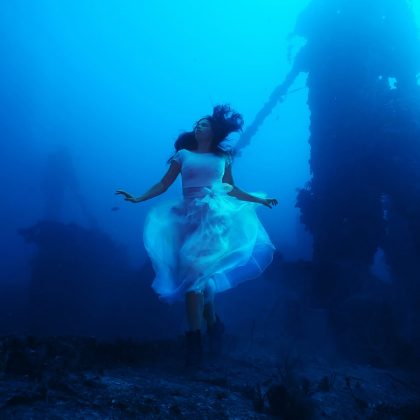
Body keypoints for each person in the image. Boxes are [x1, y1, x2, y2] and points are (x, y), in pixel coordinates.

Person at [116, 105, 278, 367]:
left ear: (214, 130)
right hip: (186, 219)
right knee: (199, 278)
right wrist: (138, 198)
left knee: (193, 278)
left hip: (214, 220)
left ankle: (194, 344)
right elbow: (163, 184)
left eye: (204, 124)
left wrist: (259, 200)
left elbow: (231, 188)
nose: (198, 126)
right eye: (197, 124)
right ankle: (214, 327)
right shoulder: (183, 155)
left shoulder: (224, 157)